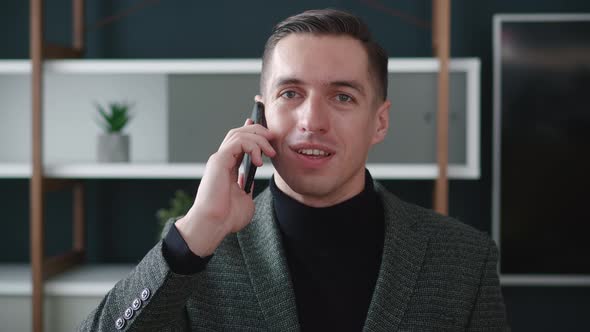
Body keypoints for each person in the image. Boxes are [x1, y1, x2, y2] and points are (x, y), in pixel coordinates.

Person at [79, 8, 508, 331]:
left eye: (342, 97)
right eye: (290, 93)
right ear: (261, 114)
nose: (312, 121)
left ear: (380, 122)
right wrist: (195, 233)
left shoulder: (466, 260)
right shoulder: (198, 253)